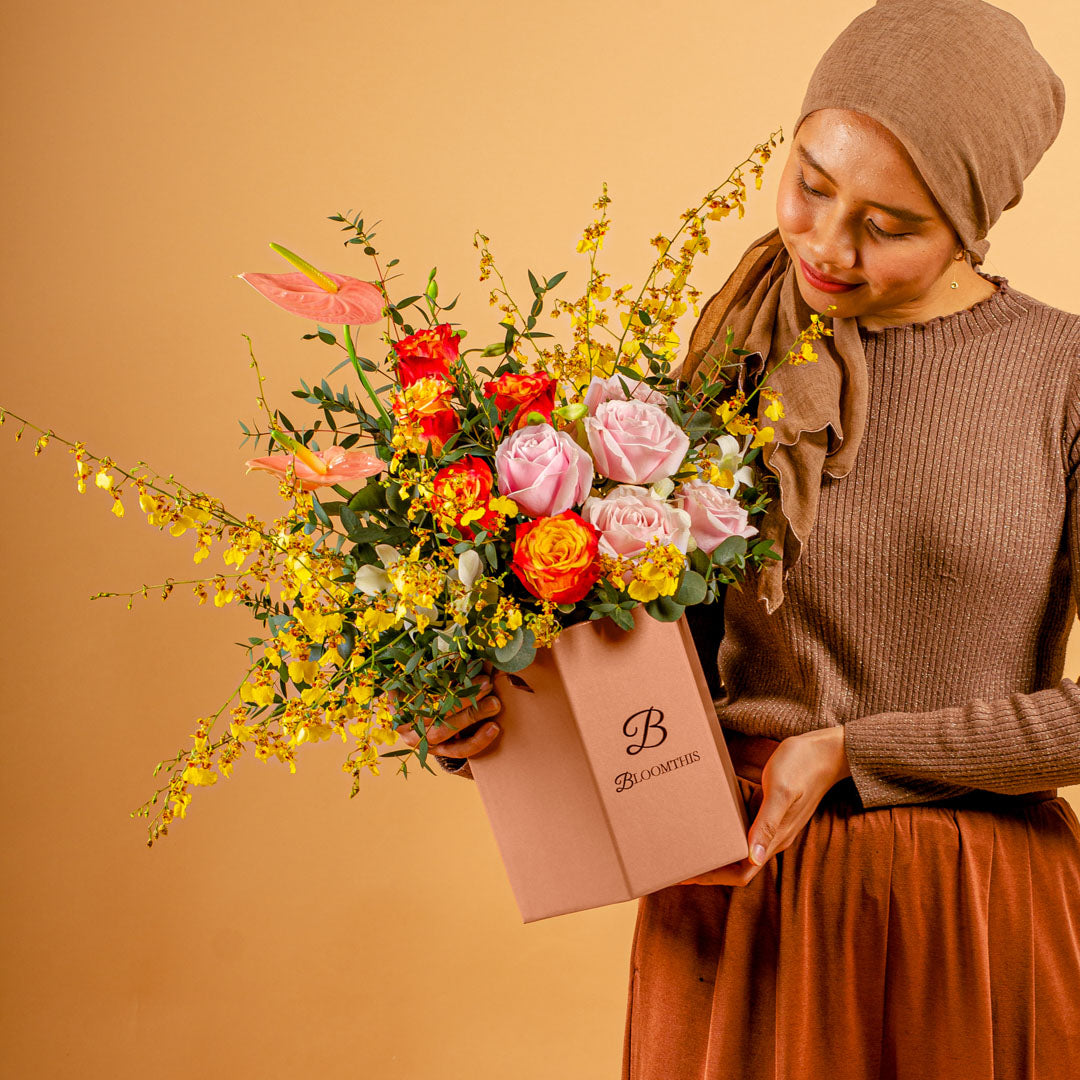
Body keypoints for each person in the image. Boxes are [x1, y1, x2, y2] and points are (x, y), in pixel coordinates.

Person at [402, 1, 1080, 1075]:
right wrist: (490, 712)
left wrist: (859, 751)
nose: (826, 244)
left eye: (891, 224)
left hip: (969, 907)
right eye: (811, 183)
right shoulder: (728, 360)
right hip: (739, 900)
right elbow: (640, 659)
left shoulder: (1062, 376)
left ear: (973, 221)